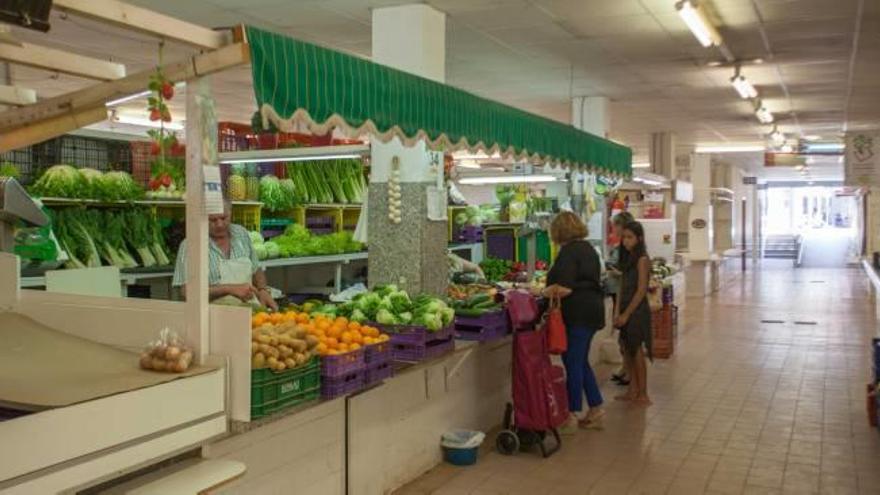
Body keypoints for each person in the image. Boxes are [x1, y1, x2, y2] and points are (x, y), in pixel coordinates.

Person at [544, 211, 606, 432]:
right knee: (580, 361)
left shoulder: (569, 253)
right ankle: (596, 407)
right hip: (592, 312)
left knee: (572, 362)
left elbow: (565, 288)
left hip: (577, 314)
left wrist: (542, 292)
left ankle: (571, 414)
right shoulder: (589, 249)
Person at [172, 200, 278, 311]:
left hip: (249, 312)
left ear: (230, 213)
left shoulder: (241, 233)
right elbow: (187, 292)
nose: (219, 224)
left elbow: (256, 269)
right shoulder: (191, 245)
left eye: (224, 218)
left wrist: (262, 290)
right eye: (212, 220)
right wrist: (229, 289)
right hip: (211, 317)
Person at [614, 221, 652, 405]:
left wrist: (626, 314)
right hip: (625, 308)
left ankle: (643, 392)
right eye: (624, 237)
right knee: (627, 350)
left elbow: (641, 289)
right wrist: (617, 312)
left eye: (630, 237)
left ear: (639, 239)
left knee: (636, 351)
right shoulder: (627, 259)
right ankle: (632, 390)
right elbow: (622, 287)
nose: (625, 241)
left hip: (636, 311)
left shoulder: (642, 259)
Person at [606, 211, 635, 386]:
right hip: (617, 294)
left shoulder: (627, 249)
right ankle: (625, 368)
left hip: (623, 296)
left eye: (615, 225)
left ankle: (629, 372)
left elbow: (628, 273)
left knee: (626, 335)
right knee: (622, 336)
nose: (613, 228)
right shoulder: (620, 247)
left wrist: (614, 271)